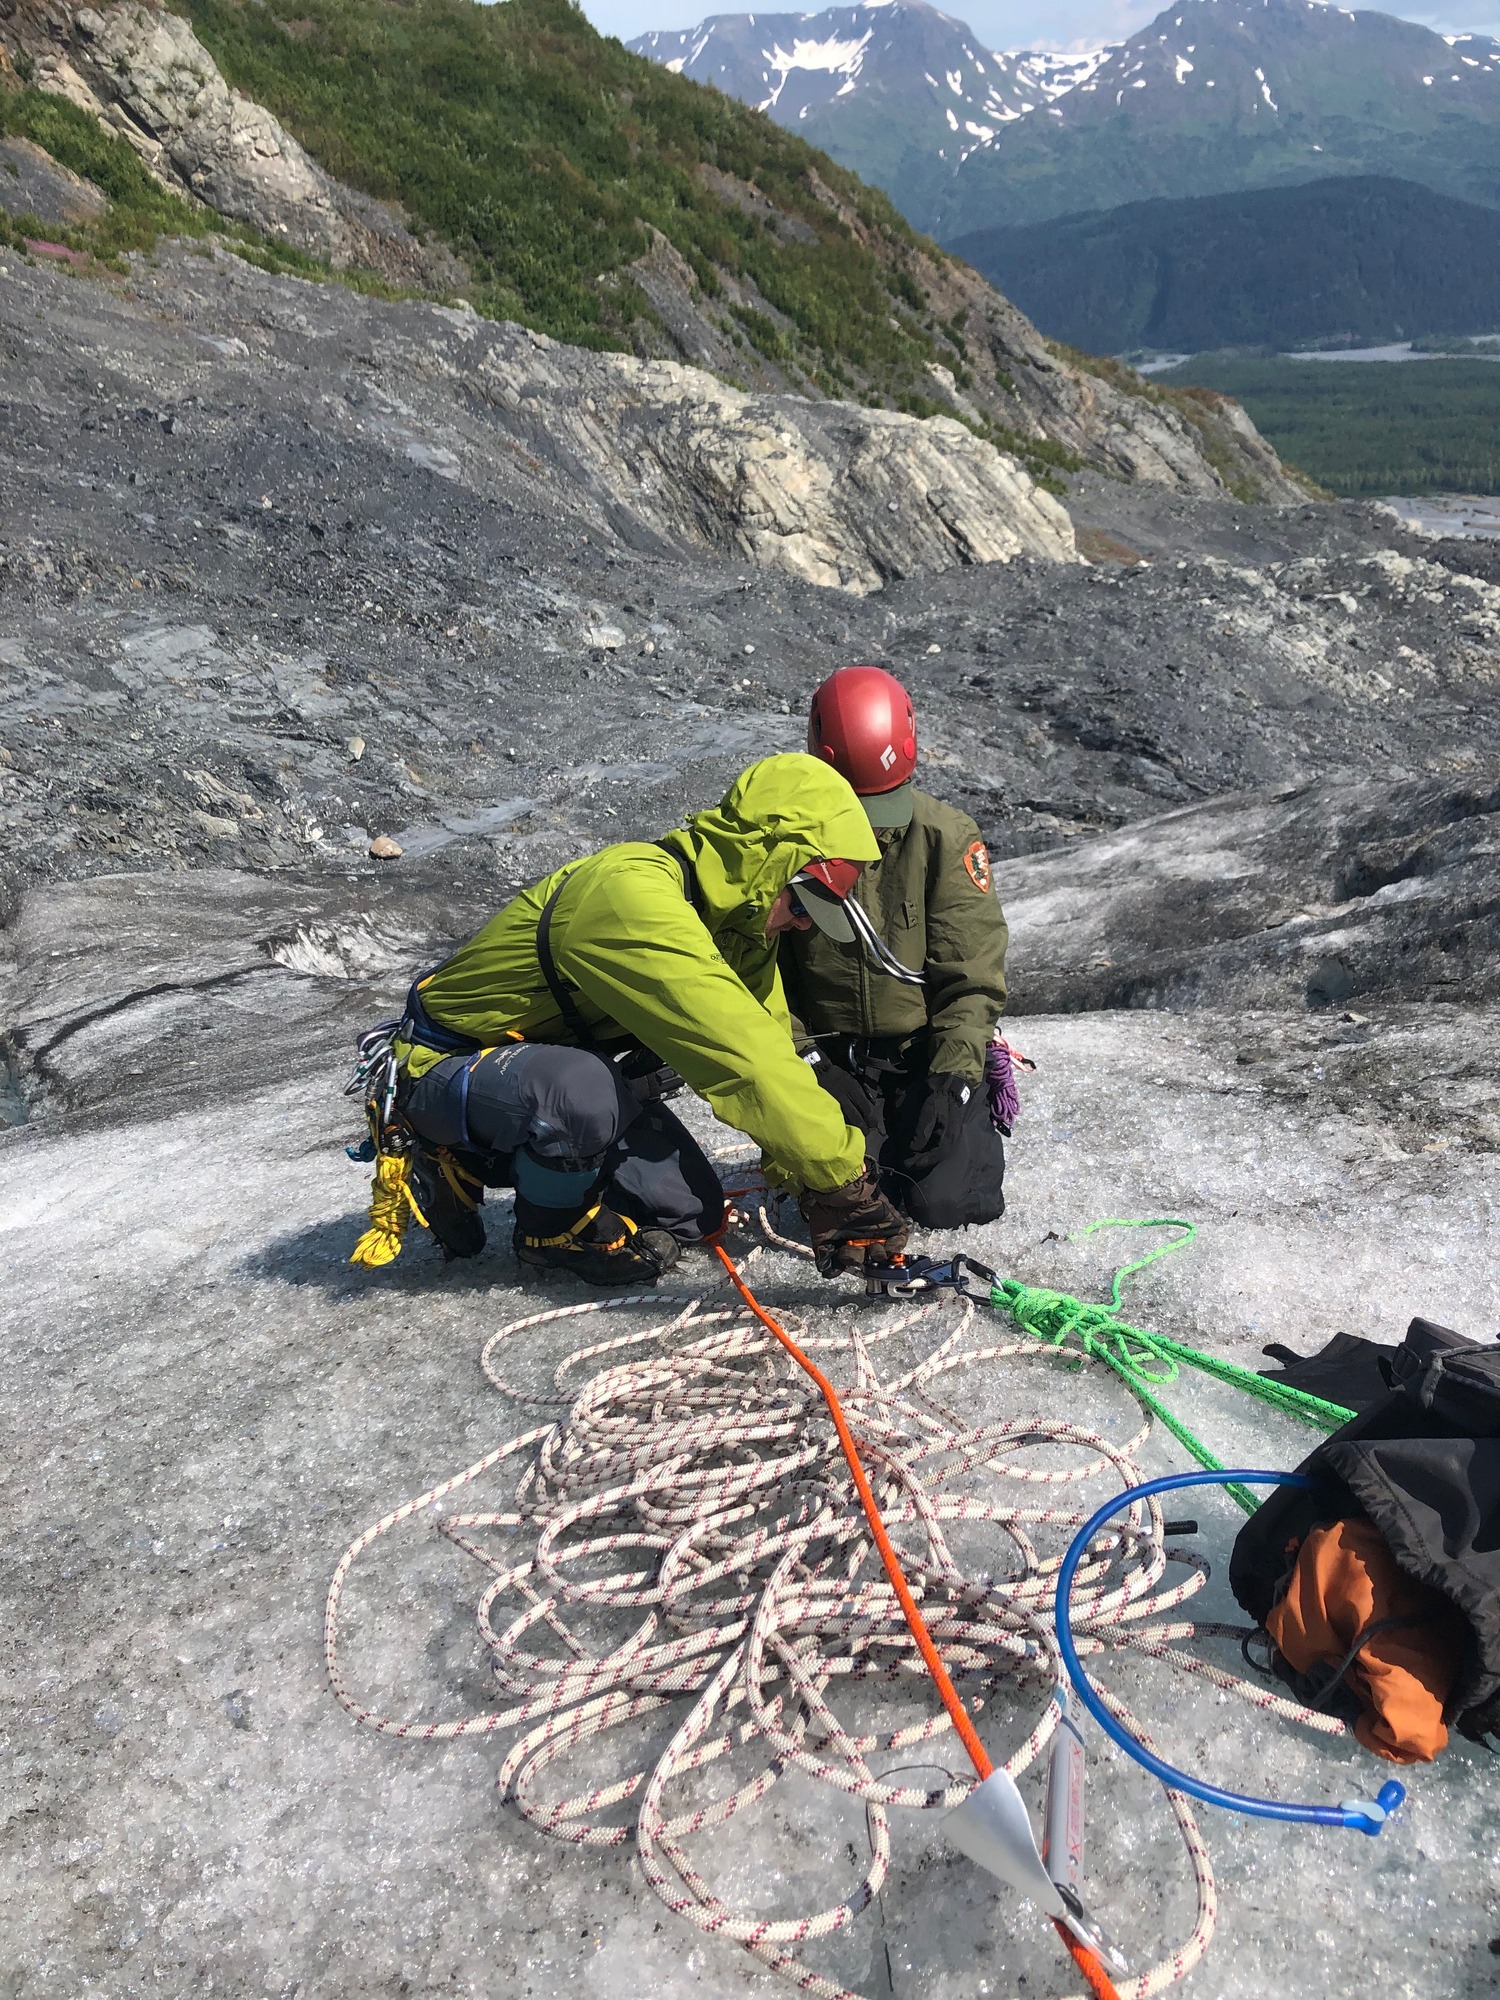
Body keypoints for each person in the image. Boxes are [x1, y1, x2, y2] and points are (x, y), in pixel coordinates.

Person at [353, 754, 913, 1287]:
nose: (803, 926)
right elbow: (744, 1062)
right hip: (443, 1067)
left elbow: (771, 1048)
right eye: (800, 905)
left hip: (533, 1066)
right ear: (767, 859)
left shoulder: (739, 928)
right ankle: (534, 1224)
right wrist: (842, 1183)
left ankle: (510, 1163)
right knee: (583, 1092)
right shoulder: (631, 897)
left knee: (692, 1214)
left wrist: (809, 1183)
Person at [779, 665, 1010, 1230]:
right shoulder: (782, 842)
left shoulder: (945, 837)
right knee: (858, 1198)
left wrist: (951, 1080)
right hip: (830, 1061)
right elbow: (755, 971)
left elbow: (971, 974)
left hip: (921, 1056)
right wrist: (806, 1062)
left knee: (943, 1201)